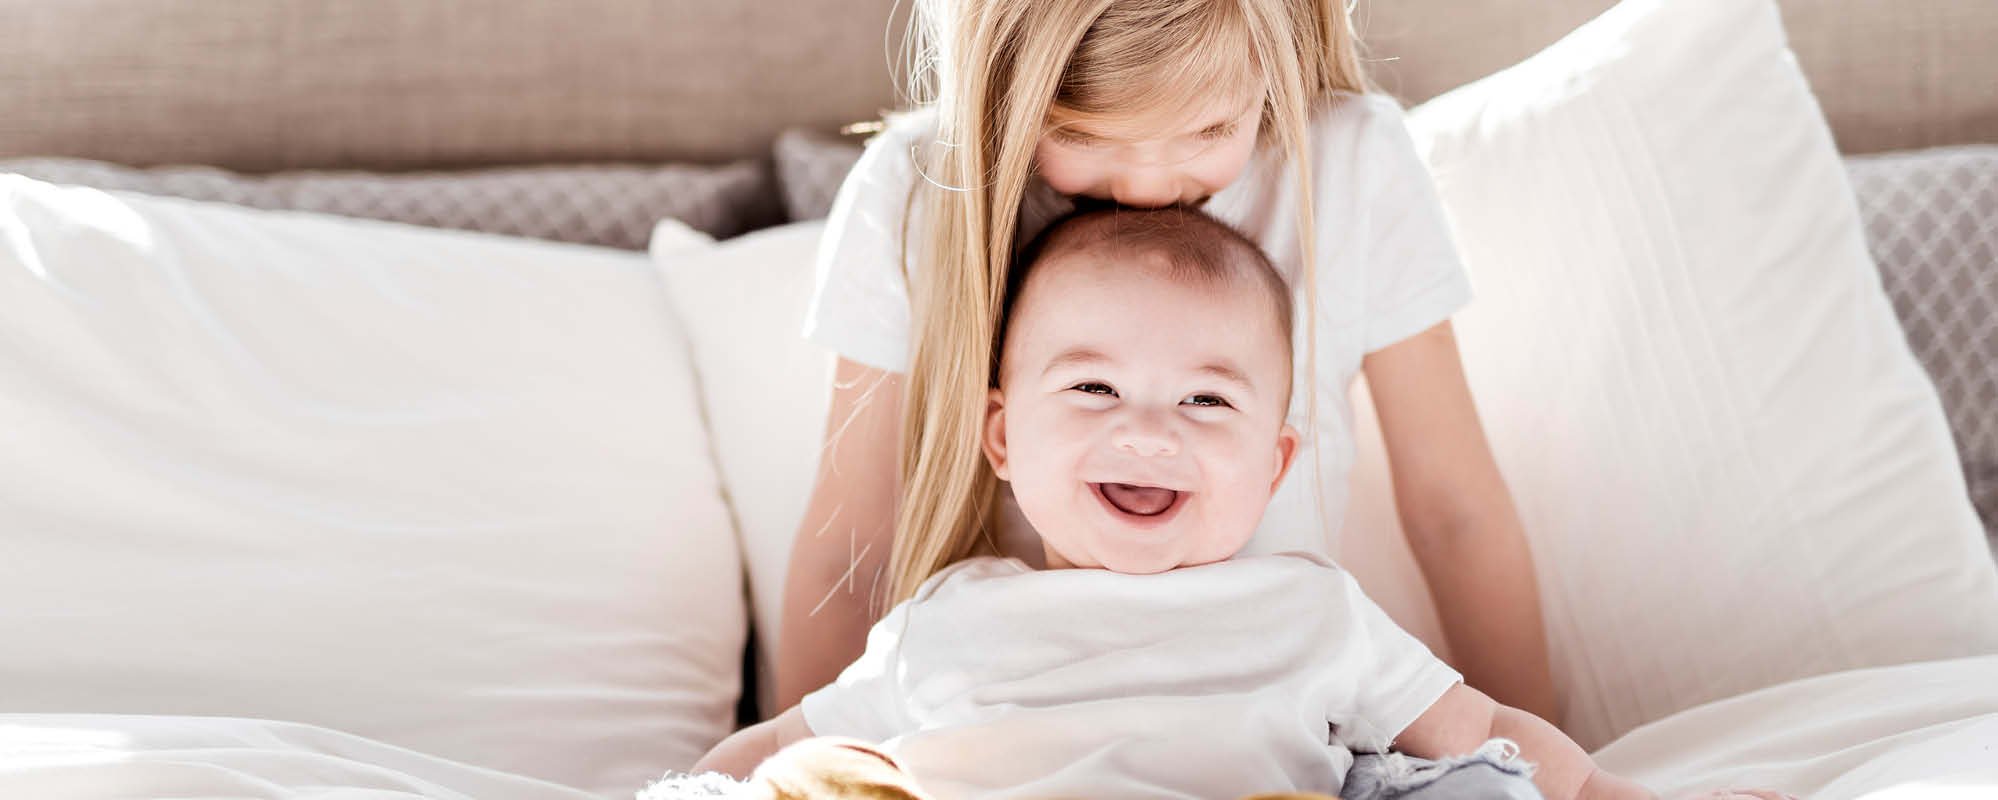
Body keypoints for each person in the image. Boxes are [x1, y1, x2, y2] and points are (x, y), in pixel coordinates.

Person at [706, 208, 1789, 800]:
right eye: (1092, 388)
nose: (1148, 431)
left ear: (1274, 466)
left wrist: (1621, 797)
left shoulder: (1310, 609)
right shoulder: (948, 617)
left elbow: (1492, 734)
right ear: (1002, 438)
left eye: (1206, 400)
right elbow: (780, 744)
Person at [778, 0, 1556, 725]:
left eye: (1209, 130)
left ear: (1276, 61)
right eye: (1086, 136)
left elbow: (1455, 512)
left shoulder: (1349, 161)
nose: (1147, 187)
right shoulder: (917, 190)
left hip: (1269, 727)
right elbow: (849, 554)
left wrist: (1536, 758)